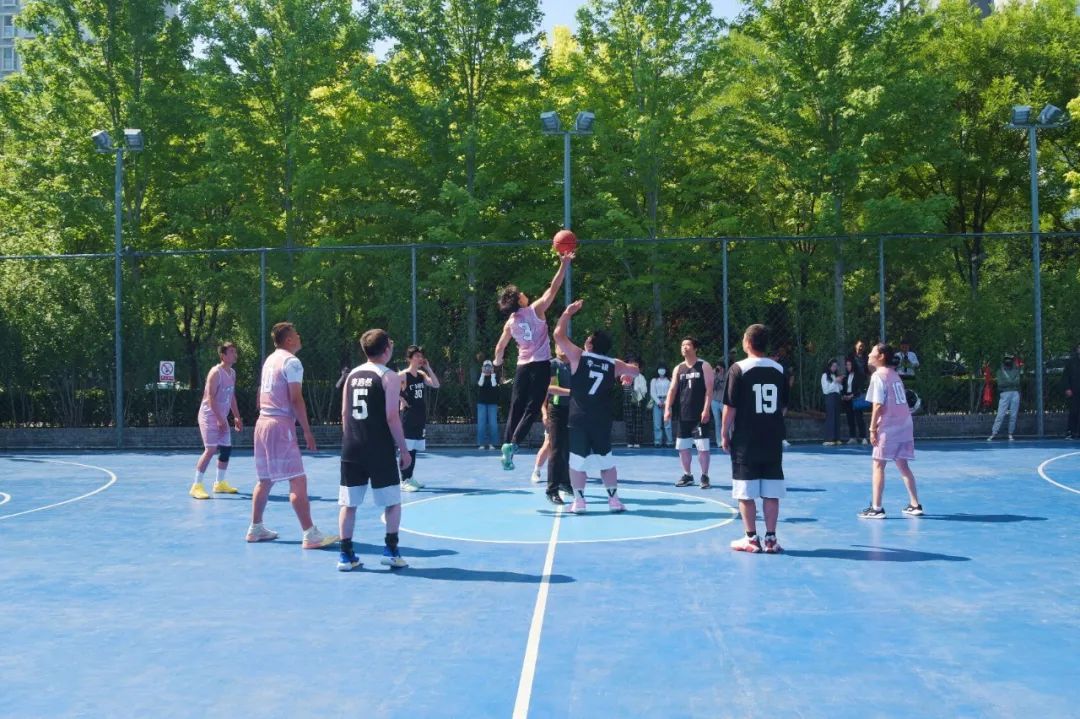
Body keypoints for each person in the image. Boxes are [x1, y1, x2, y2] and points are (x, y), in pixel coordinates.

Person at [247, 322, 337, 549]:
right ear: (288, 340)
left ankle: (255, 528)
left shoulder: (270, 360)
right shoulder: (292, 362)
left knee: (265, 480)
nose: (299, 336)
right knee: (297, 479)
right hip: (280, 425)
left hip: (262, 423)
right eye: (296, 334)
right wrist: (307, 430)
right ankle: (310, 534)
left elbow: (261, 394)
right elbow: (296, 399)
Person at [554, 299, 640, 514]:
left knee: (577, 462)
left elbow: (558, 335)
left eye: (588, 338)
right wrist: (625, 375)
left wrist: (567, 313)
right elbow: (636, 371)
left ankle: (580, 502)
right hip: (601, 419)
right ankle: (614, 500)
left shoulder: (578, 356)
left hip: (579, 418)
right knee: (606, 460)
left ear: (590, 345)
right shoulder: (614, 364)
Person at [337, 328, 412, 571]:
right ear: (387, 349)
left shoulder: (352, 375)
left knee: (349, 504)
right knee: (393, 502)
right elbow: (392, 416)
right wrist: (404, 450)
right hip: (378, 448)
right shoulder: (389, 377)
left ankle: (346, 555)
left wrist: (351, 440)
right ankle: (391, 551)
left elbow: (344, 414)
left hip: (351, 448)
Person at [493, 252, 573, 471]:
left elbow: (500, 348)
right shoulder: (536, 310)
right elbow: (554, 288)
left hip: (522, 366)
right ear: (519, 300)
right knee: (532, 407)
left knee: (516, 407)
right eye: (521, 293)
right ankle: (514, 443)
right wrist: (564, 264)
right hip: (540, 364)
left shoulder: (510, 322)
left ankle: (506, 444)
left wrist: (498, 363)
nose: (525, 294)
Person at [722, 324, 788, 554]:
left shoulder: (738, 368)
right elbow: (783, 407)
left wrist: (724, 432)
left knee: (745, 491)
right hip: (772, 439)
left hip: (746, 440)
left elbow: (730, 406)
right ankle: (771, 539)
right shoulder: (779, 369)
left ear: (748, 342)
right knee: (771, 490)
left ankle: (751, 538)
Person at [858, 343, 922, 519]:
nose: (869, 354)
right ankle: (915, 505)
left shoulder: (878, 376)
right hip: (905, 424)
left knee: (878, 464)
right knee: (903, 465)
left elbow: (878, 405)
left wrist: (872, 428)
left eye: (872, 352)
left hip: (890, 426)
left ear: (880, 357)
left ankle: (877, 508)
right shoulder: (894, 375)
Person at [190, 341, 243, 500]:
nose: (235, 354)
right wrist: (220, 419)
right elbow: (210, 398)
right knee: (211, 449)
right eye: (231, 352)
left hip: (221, 417)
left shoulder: (232, 373)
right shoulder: (215, 373)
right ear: (223, 355)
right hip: (209, 416)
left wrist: (236, 416)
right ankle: (196, 486)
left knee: (226, 449)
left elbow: (231, 396)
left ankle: (219, 484)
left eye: (235, 351)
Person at [666, 337, 715, 489]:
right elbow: (672, 390)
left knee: (702, 447)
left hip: (699, 416)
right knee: (683, 447)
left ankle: (705, 476)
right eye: (682, 345)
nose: (684, 347)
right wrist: (667, 408)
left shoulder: (704, 365)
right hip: (683, 415)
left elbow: (709, 389)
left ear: (695, 348)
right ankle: (687, 475)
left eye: (687, 344)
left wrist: (706, 409)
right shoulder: (678, 368)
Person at [399, 345, 440, 491]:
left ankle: (410, 478)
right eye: (416, 356)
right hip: (408, 417)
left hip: (420, 416)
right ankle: (403, 480)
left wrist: (428, 368)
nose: (420, 358)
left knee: (414, 449)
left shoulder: (421, 374)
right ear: (409, 359)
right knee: (406, 449)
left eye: (421, 356)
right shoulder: (403, 375)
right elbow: (388, 388)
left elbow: (436, 385)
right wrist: (401, 399)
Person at [544, 348, 573, 505]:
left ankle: (565, 482)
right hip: (556, 410)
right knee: (555, 449)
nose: (562, 348)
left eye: (565, 345)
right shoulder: (553, 364)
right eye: (559, 345)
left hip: (570, 410)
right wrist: (572, 392)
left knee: (567, 448)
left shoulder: (572, 365)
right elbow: (552, 388)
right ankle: (552, 490)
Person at [987, 354, 1021, 442]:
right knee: (1000, 414)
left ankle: (1010, 433)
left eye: (1010, 359)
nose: (1008, 361)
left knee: (1013, 415)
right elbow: (1001, 384)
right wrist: (1011, 382)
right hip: (1004, 394)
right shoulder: (1000, 371)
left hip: (1015, 393)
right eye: (1007, 359)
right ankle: (994, 433)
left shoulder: (1016, 370)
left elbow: (1017, 382)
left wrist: (1009, 382)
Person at [841, 357, 868, 445]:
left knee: (859, 418)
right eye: (846, 365)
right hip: (847, 399)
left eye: (849, 364)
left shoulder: (858, 375)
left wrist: (852, 395)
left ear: (853, 365)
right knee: (850, 418)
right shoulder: (846, 376)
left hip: (856, 398)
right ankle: (852, 437)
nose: (848, 366)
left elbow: (860, 388)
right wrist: (844, 395)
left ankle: (863, 437)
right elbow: (844, 388)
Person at [622, 358, 647, 447]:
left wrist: (639, 395)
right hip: (627, 398)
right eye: (631, 364)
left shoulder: (641, 377)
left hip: (638, 398)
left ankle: (637, 441)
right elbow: (623, 385)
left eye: (635, 365)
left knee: (638, 421)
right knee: (629, 420)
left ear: (638, 367)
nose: (633, 366)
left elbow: (644, 390)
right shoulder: (625, 375)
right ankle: (630, 441)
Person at [476, 360, 500, 449]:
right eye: (485, 366)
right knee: (481, 424)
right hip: (481, 403)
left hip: (492, 403)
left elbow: (494, 385)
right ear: (482, 367)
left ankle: (492, 444)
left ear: (492, 367)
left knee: (493, 424)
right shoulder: (480, 375)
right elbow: (480, 384)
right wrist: (483, 374)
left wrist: (492, 374)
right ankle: (481, 444)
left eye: (489, 366)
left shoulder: (495, 376)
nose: (487, 368)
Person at [820, 359, 844, 446]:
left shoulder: (835, 375)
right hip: (830, 397)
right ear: (829, 366)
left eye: (836, 366)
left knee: (837, 417)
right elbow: (826, 390)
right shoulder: (825, 375)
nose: (834, 368)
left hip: (837, 397)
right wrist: (835, 381)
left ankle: (836, 438)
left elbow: (840, 388)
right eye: (833, 366)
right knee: (831, 417)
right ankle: (829, 438)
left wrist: (839, 382)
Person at [650, 367, 673, 447]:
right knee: (657, 423)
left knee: (668, 423)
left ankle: (669, 441)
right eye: (660, 368)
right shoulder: (654, 380)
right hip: (657, 402)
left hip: (667, 401)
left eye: (663, 368)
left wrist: (666, 402)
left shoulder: (669, 380)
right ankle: (657, 441)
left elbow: (671, 391)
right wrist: (658, 402)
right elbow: (652, 392)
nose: (662, 370)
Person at [1064, 344, 1080, 439]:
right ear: (1077, 350)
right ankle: (1070, 432)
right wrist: (1067, 388)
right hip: (1074, 391)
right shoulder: (1071, 362)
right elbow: (1066, 376)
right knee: (1074, 411)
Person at [711, 360, 727, 445]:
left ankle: (728, 439)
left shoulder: (727, 376)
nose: (719, 370)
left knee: (726, 421)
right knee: (717, 422)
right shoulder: (713, 376)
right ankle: (719, 441)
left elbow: (724, 386)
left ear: (723, 368)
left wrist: (720, 376)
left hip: (723, 401)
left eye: (720, 368)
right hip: (714, 401)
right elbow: (711, 387)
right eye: (718, 368)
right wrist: (714, 375)